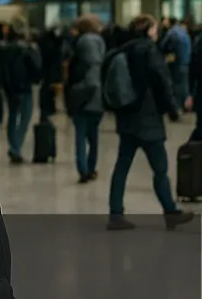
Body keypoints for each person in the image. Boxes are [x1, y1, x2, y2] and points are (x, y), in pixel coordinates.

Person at [106, 14, 195, 231]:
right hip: (148, 119)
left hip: (127, 117)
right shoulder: (149, 51)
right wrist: (173, 109)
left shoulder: (122, 50)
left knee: (122, 166)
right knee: (160, 168)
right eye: (155, 29)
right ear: (148, 30)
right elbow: (161, 81)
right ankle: (170, 211)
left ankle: (115, 214)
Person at [66, 14, 107, 183]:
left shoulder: (80, 43)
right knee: (94, 135)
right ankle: (91, 168)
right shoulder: (101, 42)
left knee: (80, 135)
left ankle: (82, 168)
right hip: (98, 97)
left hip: (81, 94)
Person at [0, 23, 41, 163]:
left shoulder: (3, 50)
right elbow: (35, 67)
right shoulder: (27, 50)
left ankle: (13, 146)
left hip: (10, 89)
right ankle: (16, 147)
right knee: (25, 117)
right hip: (24, 88)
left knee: (12, 116)